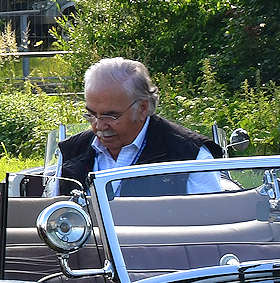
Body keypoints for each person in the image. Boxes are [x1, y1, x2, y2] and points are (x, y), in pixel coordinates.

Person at [58, 57, 222, 194]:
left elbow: (210, 220)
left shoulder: (190, 156)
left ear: (142, 108)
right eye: (92, 115)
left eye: (111, 116)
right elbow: (55, 216)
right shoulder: (71, 151)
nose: (99, 126)